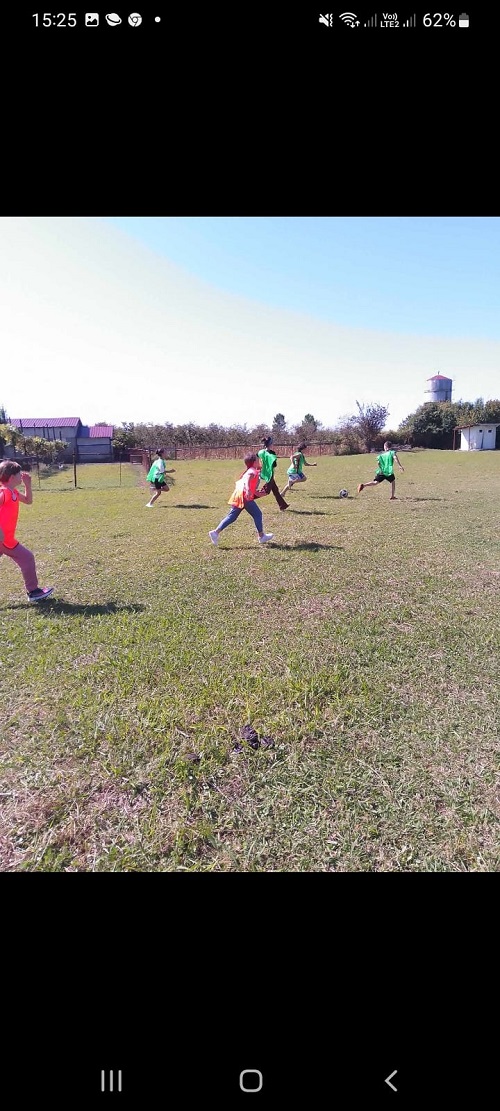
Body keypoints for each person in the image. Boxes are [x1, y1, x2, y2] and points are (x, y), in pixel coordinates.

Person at [0, 461, 53, 602]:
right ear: (12, 477)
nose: (21, 475)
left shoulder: (13, 492)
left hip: (5, 539)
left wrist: (27, 485)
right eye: (19, 474)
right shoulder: (5, 492)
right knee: (27, 557)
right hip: (4, 540)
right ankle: (33, 591)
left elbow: (28, 501)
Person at [209, 454, 274, 546]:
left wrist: (258, 493)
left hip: (239, 495)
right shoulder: (252, 471)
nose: (259, 461)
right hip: (245, 497)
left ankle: (215, 533)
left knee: (232, 516)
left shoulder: (250, 470)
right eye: (258, 460)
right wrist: (248, 490)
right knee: (257, 514)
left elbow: (250, 485)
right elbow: (247, 481)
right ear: (254, 462)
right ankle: (261, 536)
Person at [257, 437, 289, 511]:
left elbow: (256, 457)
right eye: (272, 443)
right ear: (270, 444)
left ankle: (283, 506)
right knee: (266, 491)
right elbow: (274, 465)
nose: (273, 444)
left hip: (265, 473)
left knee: (275, 490)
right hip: (270, 474)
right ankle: (250, 497)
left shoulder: (261, 452)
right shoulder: (272, 453)